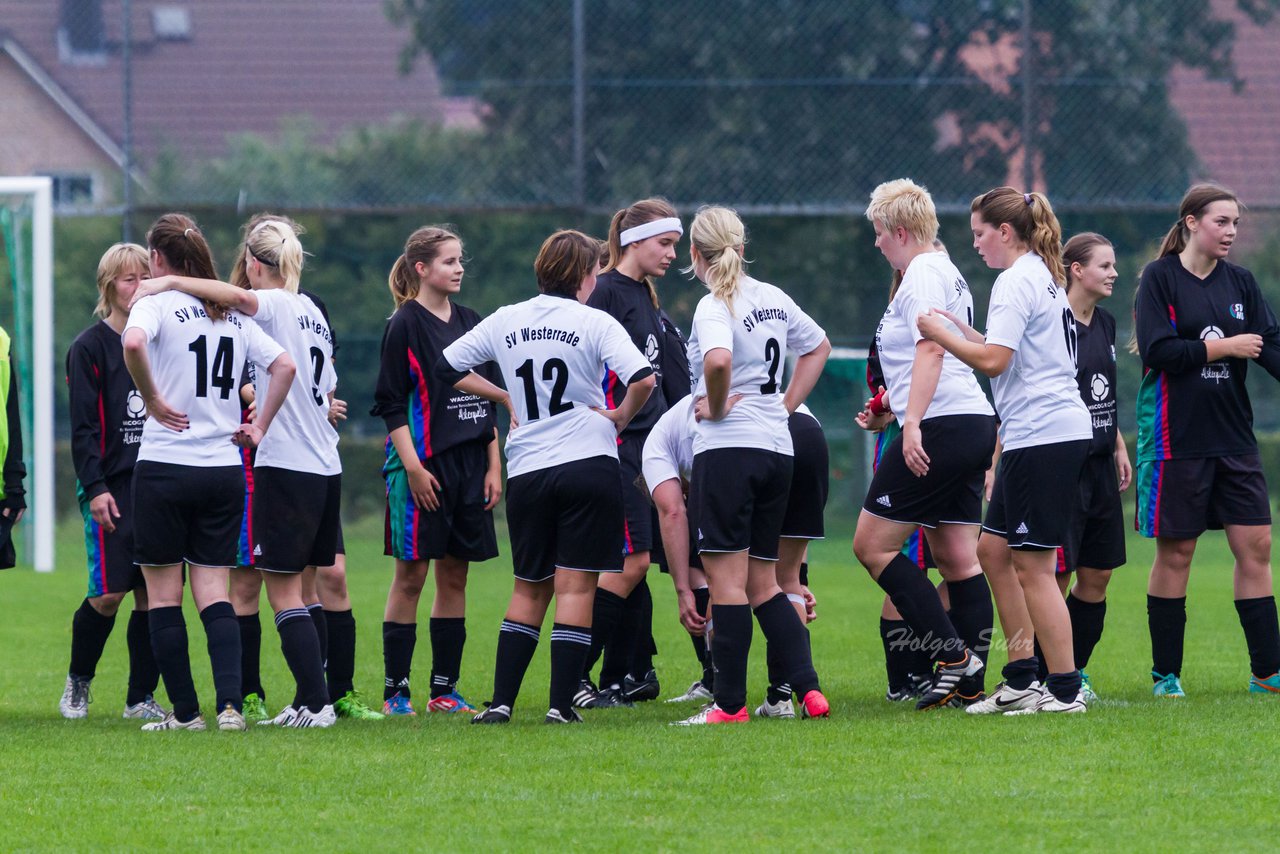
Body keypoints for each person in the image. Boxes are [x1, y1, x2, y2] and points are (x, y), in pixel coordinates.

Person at [132, 218, 348, 728]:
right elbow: (300, 374)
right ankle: (239, 705)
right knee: (236, 590)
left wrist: (153, 398)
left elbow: (134, 342)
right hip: (272, 466)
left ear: (253, 263)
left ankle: (204, 712)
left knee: (259, 592)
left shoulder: (257, 303)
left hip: (189, 461)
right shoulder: (305, 312)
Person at [436, 228, 655, 724]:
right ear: (583, 275)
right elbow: (644, 379)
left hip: (529, 469)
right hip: (589, 464)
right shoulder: (595, 321)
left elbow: (445, 365)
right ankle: (559, 707)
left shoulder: (506, 318)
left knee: (529, 585)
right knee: (576, 587)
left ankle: (501, 704)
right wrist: (619, 415)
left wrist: (505, 396)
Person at [918, 187, 1092, 715]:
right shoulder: (1038, 272)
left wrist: (939, 336)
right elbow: (1004, 347)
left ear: (1006, 232)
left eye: (979, 234)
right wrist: (955, 327)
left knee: (1035, 567)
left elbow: (993, 361)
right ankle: (1021, 679)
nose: (975, 244)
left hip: (1045, 434)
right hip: (1032, 434)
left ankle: (1064, 690)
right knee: (992, 552)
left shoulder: (1015, 279)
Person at [217, 214, 382, 723]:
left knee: (284, 589)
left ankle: (316, 702)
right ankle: (311, 700)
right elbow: (320, 385)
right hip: (323, 463)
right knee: (305, 587)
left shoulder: (271, 305)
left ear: (253, 262)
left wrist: (172, 280)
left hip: (285, 465)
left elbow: (232, 306)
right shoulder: (310, 310)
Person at [675, 205, 831, 725]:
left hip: (727, 453)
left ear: (695, 254)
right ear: (741, 248)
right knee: (766, 585)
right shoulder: (773, 297)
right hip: (775, 450)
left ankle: (729, 706)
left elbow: (717, 361)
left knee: (729, 585)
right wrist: (781, 407)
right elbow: (818, 347)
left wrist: (717, 408)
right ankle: (808, 691)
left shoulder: (712, 303)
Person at [851, 179, 995, 711]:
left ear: (902, 231)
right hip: (970, 422)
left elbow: (933, 347)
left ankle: (952, 658)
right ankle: (971, 686)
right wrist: (893, 406)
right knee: (957, 558)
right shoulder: (946, 271)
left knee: (871, 546)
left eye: (880, 233)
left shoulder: (922, 273)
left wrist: (910, 424)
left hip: (943, 426)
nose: (877, 243)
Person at [1133, 183, 1280, 697]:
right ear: (1192, 222)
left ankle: (1267, 673)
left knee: (1256, 546)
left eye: (1236, 224)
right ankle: (1165, 674)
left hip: (1233, 437)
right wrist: (1223, 348)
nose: (1232, 232)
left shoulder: (1240, 282)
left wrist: (1247, 349)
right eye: (1222, 222)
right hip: (1178, 439)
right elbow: (1158, 351)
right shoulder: (1159, 278)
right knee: (1177, 553)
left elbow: (1270, 345)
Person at [371, 226, 502, 716]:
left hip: (471, 467)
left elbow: (487, 402)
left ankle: (444, 691)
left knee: (455, 575)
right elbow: (389, 403)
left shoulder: (471, 321)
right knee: (411, 576)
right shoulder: (405, 323)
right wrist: (414, 468)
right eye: (449, 261)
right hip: (420, 466)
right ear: (422, 269)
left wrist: (494, 464)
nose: (459, 268)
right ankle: (395, 693)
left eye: (460, 260)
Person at [576, 199, 683, 709]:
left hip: (650, 446)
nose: (671, 254)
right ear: (635, 241)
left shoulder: (642, 293)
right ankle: (573, 676)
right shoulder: (604, 293)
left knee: (639, 565)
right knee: (631, 564)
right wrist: (609, 415)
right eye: (664, 244)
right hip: (619, 447)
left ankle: (628, 673)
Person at [59, 243, 164, 721]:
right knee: (108, 594)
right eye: (127, 278)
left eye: (144, 276)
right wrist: (96, 487)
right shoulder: (89, 347)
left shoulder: (161, 340)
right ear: (108, 286)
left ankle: (140, 698)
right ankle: (78, 684)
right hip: (111, 485)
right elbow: (82, 427)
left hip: (161, 481)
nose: (136, 286)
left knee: (154, 593)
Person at [1044, 232, 1130, 703]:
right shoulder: (1053, 323)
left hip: (1099, 468)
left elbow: (1103, 395)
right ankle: (1042, 676)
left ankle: (1073, 672)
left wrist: (1116, 442)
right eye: (1104, 265)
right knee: (1055, 575)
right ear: (1076, 269)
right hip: (1062, 466)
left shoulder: (1107, 323)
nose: (1114, 273)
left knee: (1096, 576)